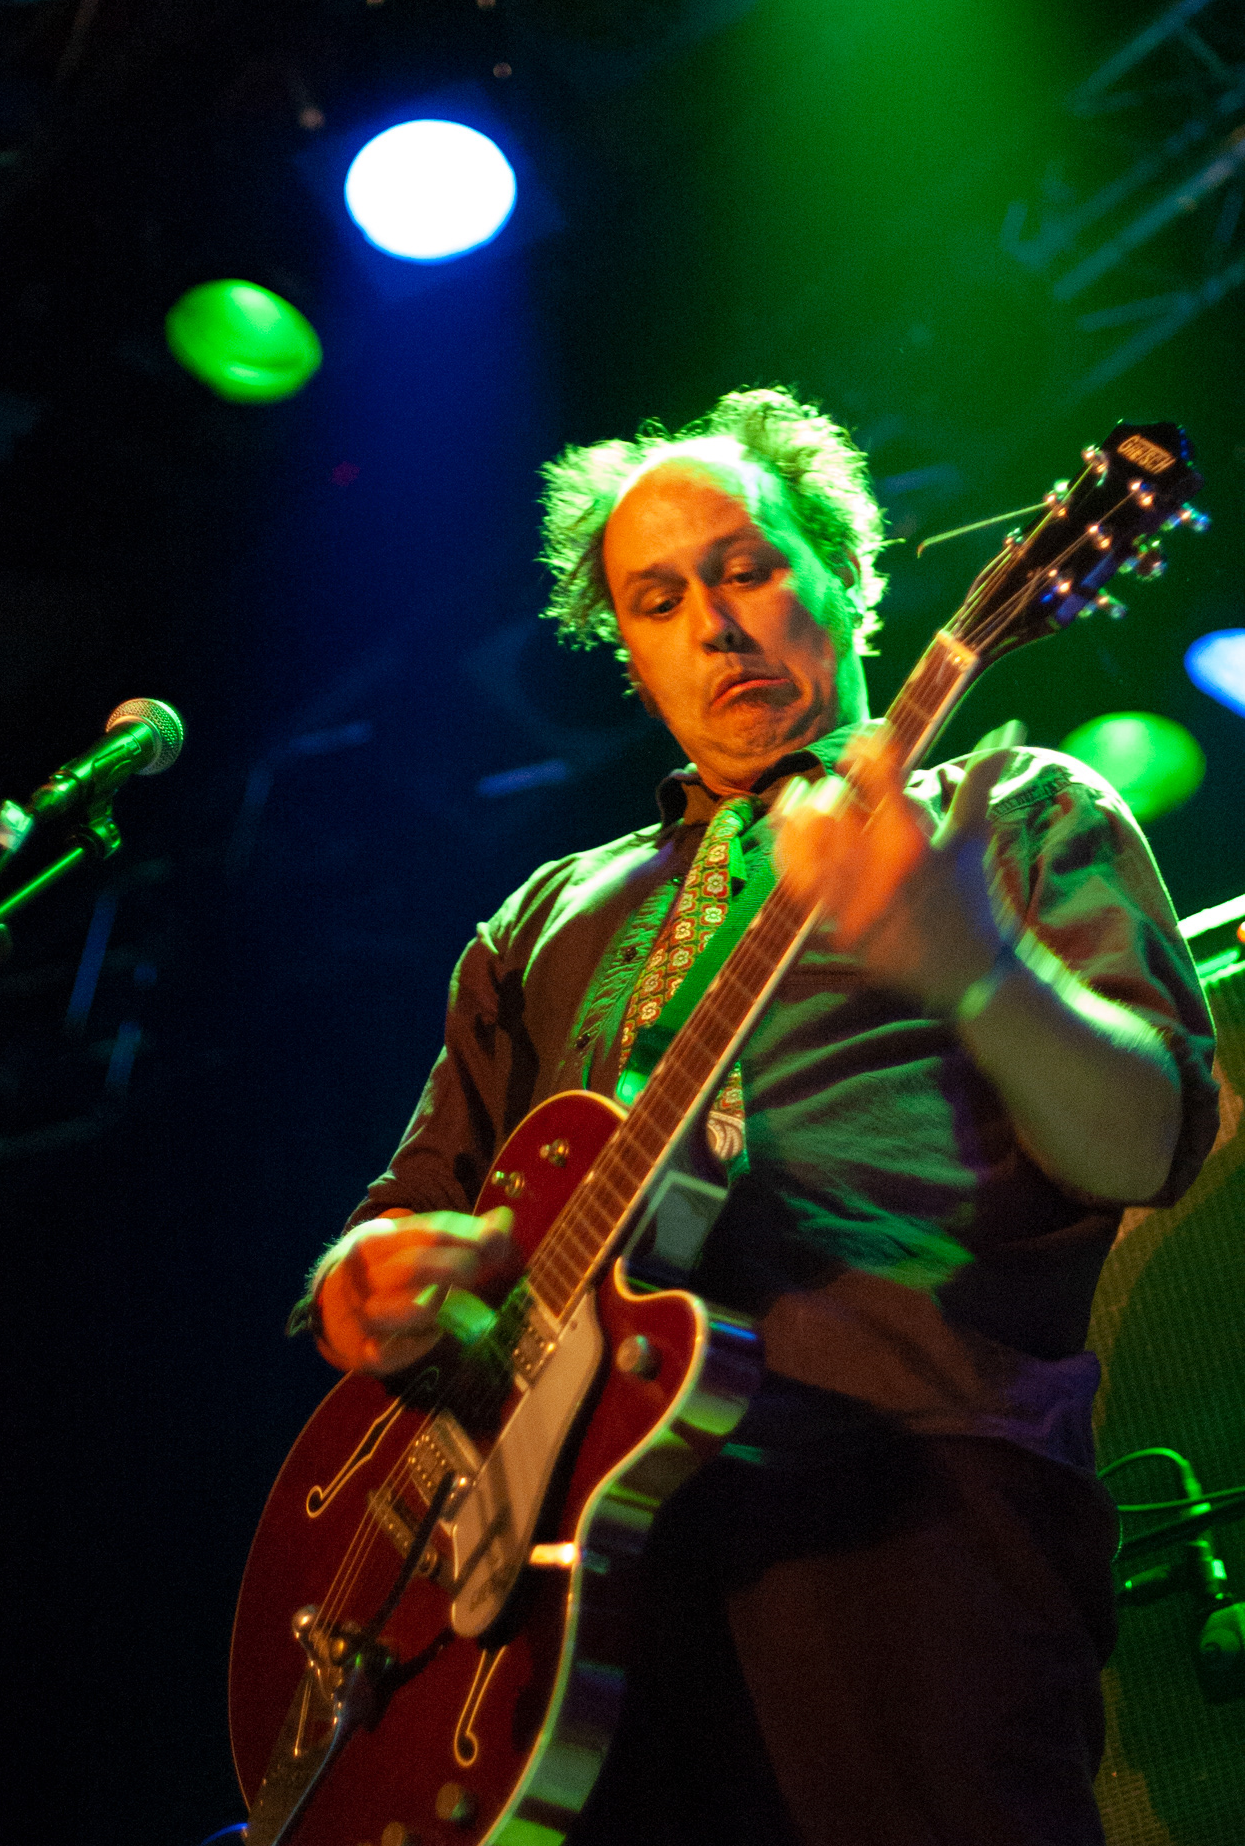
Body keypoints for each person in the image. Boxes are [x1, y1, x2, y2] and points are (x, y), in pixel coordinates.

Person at [290, 388, 1218, 1844]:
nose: (714, 627)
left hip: (903, 1507)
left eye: (747, 569)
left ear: (846, 576)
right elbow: (405, 1219)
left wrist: (973, 963)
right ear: (627, 652)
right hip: (556, 1580)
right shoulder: (543, 921)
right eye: (657, 601)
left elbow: (1148, 1142)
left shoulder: (1009, 810)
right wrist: (370, 1284)